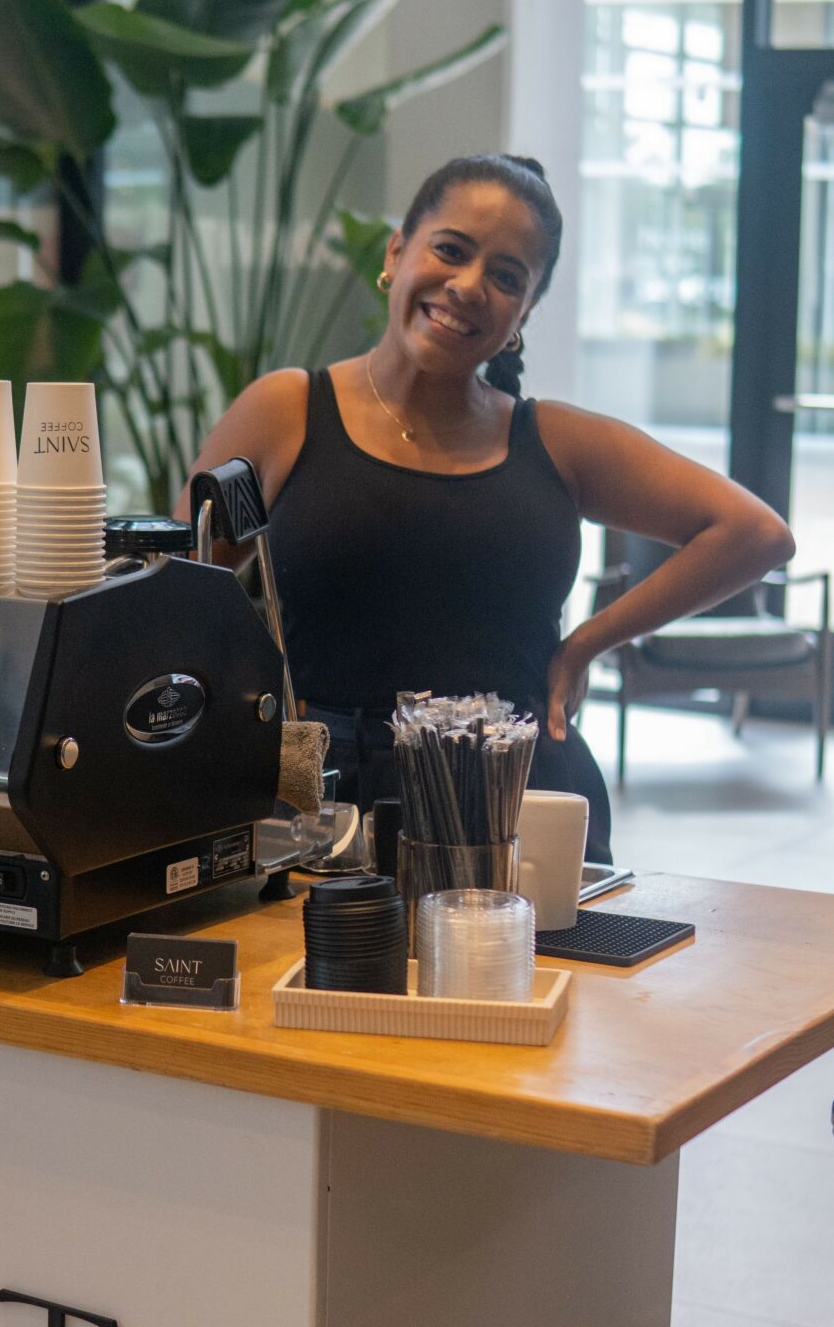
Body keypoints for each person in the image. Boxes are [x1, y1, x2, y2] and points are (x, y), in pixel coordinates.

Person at [177, 152, 795, 862]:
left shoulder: (554, 441)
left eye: (506, 277)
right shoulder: (287, 411)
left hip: (519, 799)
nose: (468, 286)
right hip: (327, 802)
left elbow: (754, 533)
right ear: (396, 252)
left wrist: (586, 645)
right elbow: (183, 594)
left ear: (524, 312)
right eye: (450, 250)